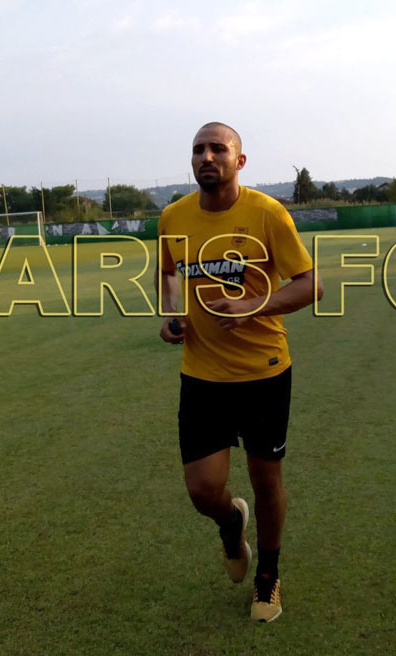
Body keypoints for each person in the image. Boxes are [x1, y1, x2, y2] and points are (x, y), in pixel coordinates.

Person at [157, 122, 323, 623]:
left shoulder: (266, 213)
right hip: (201, 375)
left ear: (239, 161)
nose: (206, 156)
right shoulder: (173, 217)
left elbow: (311, 284)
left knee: (265, 478)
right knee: (202, 491)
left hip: (263, 373)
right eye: (198, 149)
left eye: (218, 148)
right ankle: (232, 524)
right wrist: (170, 313)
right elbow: (168, 271)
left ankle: (268, 574)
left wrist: (255, 305)